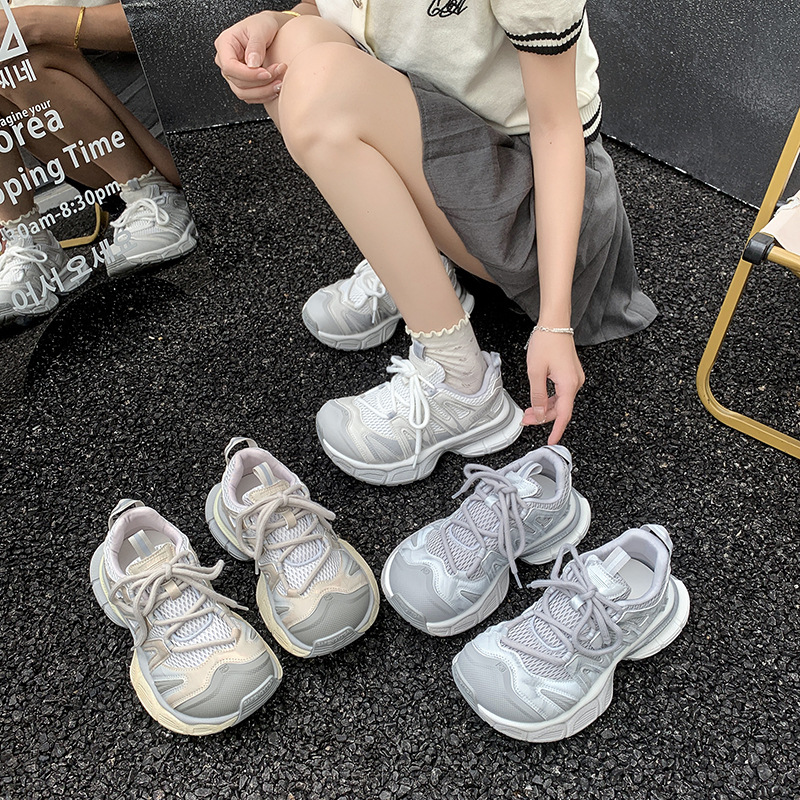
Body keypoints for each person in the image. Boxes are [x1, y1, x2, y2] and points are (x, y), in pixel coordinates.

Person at [214, 1, 657, 483]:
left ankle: (464, 386)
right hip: (454, 147)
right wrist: (275, 22)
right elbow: (324, 12)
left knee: (321, 85)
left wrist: (555, 320)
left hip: (544, 204)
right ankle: (424, 273)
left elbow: (556, 127)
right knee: (291, 45)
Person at [0, 0, 196, 327]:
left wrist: (32, 23)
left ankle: (152, 192)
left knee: (20, 57)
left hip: (172, 105)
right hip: (92, 155)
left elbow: (178, 16)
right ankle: (28, 242)